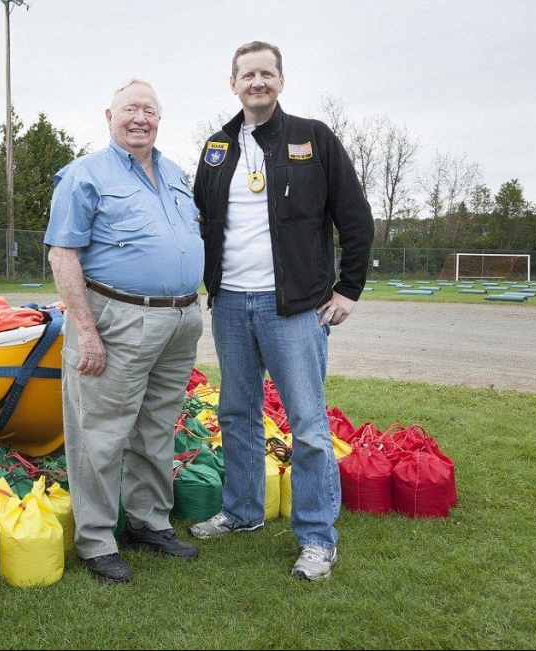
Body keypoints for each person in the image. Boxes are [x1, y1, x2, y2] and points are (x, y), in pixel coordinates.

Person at [189, 42, 374, 581]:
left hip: (294, 309)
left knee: (309, 425)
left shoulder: (313, 138)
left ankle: (317, 537)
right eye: (248, 74)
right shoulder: (216, 147)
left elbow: (355, 216)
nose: (257, 82)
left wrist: (349, 289)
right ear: (234, 83)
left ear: (281, 80)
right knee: (236, 414)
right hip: (230, 305)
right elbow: (198, 220)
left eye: (266, 73)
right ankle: (243, 512)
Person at [45, 79, 204, 584]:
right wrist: (85, 330)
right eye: (131, 109)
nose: (141, 118)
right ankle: (96, 539)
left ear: (160, 119)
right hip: (118, 318)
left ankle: (149, 522)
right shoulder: (84, 175)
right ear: (109, 114)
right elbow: (63, 253)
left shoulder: (176, 173)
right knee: (101, 431)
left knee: (158, 426)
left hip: (180, 320)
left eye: (150, 110)